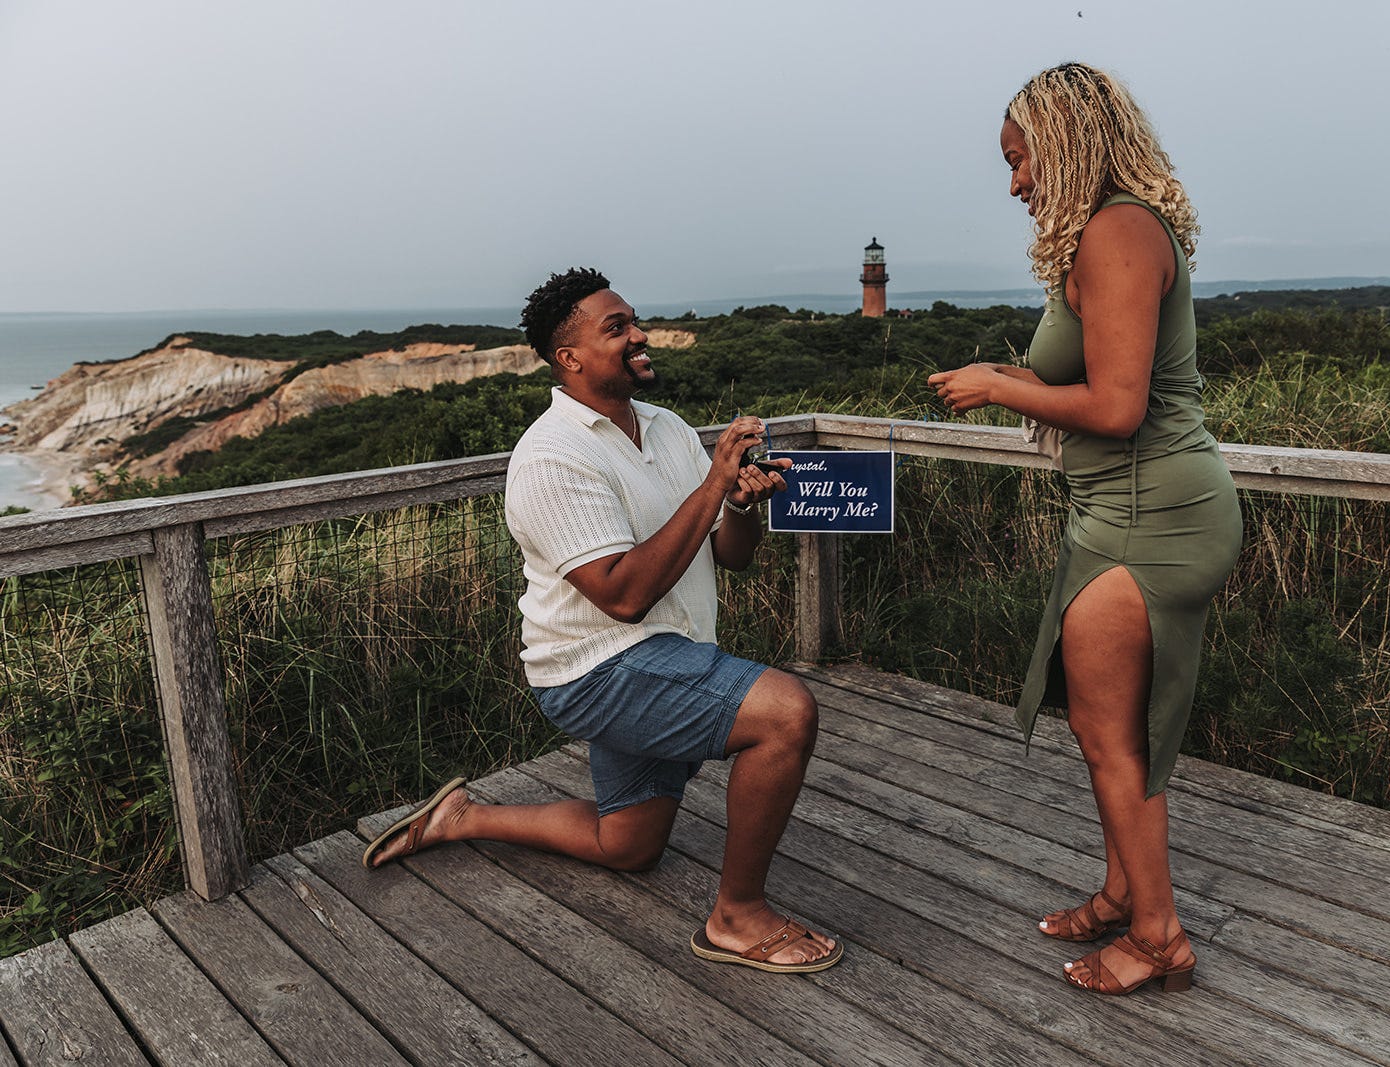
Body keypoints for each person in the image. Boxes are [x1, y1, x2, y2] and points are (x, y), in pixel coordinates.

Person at [364, 267, 842, 974]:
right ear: (571, 357)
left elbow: (730, 555)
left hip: (667, 652)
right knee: (785, 713)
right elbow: (622, 596)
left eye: (634, 321)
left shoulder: (667, 429)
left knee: (628, 845)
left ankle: (462, 816)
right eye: (617, 328)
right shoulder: (551, 456)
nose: (640, 335)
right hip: (597, 668)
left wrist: (739, 503)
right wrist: (714, 482)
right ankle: (736, 917)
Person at [929, 63, 1240, 995]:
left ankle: (1158, 936)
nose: (1015, 184)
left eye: (1019, 160)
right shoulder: (1109, 230)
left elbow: (1115, 406)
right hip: (1120, 509)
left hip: (1155, 515)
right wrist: (1007, 375)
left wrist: (999, 387)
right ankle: (1119, 892)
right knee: (1103, 727)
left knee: (1114, 741)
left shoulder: (1118, 230)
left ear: (1065, 144)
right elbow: (1094, 382)